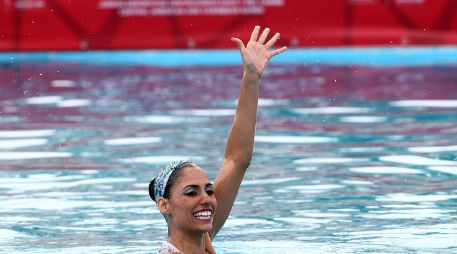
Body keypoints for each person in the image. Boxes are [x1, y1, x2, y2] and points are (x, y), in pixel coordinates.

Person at [148, 26, 287, 254]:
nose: (207, 199)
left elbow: (236, 159)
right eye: (191, 192)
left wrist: (251, 77)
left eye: (209, 190)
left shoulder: (202, 240)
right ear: (164, 205)